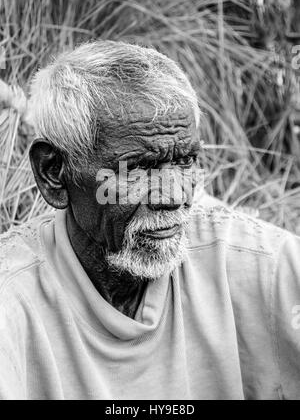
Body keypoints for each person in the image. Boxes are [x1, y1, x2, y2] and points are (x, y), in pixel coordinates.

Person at [0, 40, 300, 400]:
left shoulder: (255, 262)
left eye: (185, 161)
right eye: (139, 168)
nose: (173, 196)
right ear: (54, 173)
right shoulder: (12, 302)